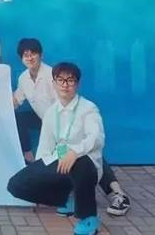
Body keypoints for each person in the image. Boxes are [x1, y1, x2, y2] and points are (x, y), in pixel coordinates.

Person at [12, 39, 131, 216]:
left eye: (33, 53)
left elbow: (66, 102)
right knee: (24, 125)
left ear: (41, 55)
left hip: (68, 122)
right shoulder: (23, 79)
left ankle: (117, 194)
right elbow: (16, 100)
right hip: (48, 122)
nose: (29, 58)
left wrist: (70, 143)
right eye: (25, 55)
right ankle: (65, 192)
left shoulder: (54, 75)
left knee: (87, 154)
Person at [8, 62, 103, 235]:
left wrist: (74, 152)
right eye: (60, 80)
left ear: (77, 84)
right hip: (60, 162)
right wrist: (39, 175)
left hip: (86, 167)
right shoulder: (51, 112)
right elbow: (45, 147)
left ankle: (88, 217)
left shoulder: (88, 108)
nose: (65, 85)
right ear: (54, 83)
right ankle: (66, 199)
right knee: (16, 184)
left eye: (70, 80)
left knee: (81, 163)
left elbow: (96, 138)